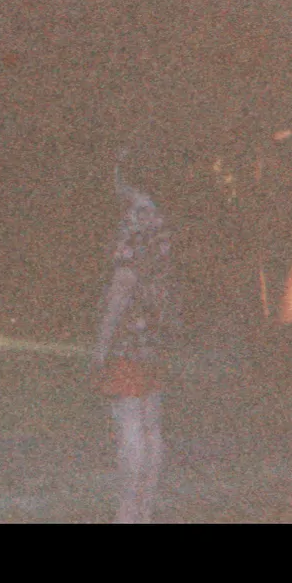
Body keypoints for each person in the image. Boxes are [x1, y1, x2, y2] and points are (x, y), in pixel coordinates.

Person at [91, 154, 175, 523]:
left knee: (128, 423)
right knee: (151, 424)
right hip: (157, 333)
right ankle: (145, 509)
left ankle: (126, 512)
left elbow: (123, 283)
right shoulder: (161, 221)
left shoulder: (132, 220)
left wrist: (101, 342)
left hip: (129, 336)